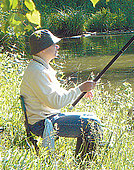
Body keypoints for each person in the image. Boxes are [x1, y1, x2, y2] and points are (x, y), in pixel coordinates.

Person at [20, 29, 102, 160]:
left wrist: (79, 92)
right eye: (53, 44)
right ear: (42, 50)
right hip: (42, 123)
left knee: (91, 117)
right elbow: (56, 102)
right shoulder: (38, 71)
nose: (57, 46)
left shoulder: (41, 67)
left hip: (49, 117)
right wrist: (79, 89)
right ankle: (86, 167)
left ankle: (82, 163)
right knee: (92, 123)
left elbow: (56, 95)